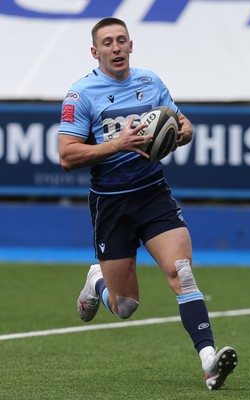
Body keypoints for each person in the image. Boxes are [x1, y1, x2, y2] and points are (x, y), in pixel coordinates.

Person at [58, 17, 237, 390]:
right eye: (107, 42)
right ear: (95, 52)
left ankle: (209, 361)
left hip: (153, 194)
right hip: (111, 205)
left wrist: (179, 134)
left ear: (131, 45)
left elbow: (183, 125)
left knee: (182, 271)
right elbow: (67, 156)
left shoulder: (149, 82)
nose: (116, 47)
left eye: (122, 40)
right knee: (125, 307)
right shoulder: (81, 94)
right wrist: (117, 145)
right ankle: (97, 282)